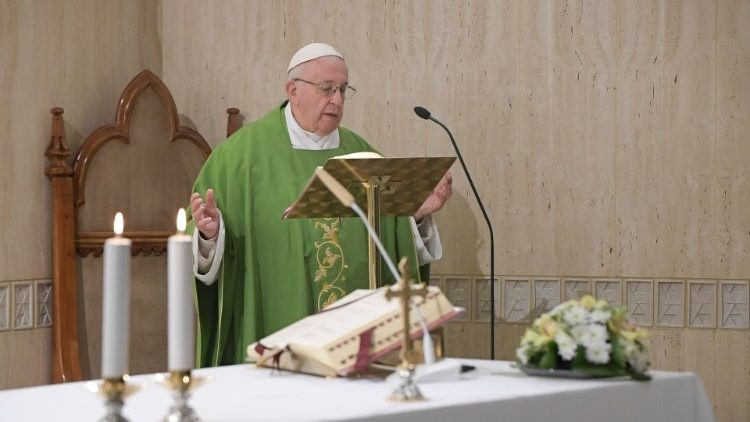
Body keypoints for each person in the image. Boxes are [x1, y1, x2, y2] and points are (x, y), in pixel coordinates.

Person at [188, 43, 452, 367]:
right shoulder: (237, 158)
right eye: (327, 89)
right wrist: (211, 236)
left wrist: (416, 213)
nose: (337, 100)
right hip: (274, 328)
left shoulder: (363, 156)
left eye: (343, 90)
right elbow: (200, 239)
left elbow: (392, 246)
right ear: (292, 90)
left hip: (352, 341)